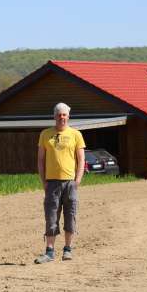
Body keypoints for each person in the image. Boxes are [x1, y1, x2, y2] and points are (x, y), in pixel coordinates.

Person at [35, 103, 86, 264]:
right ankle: (49, 252)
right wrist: (44, 181)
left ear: (68, 116)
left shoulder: (76, 134)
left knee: (70, 215)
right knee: (51, 217)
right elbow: (40, 160)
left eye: (64, 115)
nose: (61, 117)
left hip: (70, 183)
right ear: (54, 116)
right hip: (52, 183)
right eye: (59, 115)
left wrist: (77, 180)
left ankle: (67, 250)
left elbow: (81, 159)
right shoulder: (45, 134)